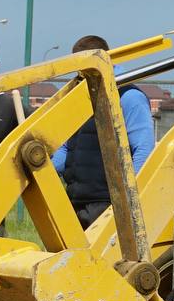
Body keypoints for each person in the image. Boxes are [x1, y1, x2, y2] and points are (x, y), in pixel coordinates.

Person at [50, 34, 155, 229]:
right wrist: (41, 172)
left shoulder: (128, 96)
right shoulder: (81, 95)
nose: (79, 74)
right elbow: (67, 146)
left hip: (109, 202)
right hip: (77, 199)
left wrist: (130, 198)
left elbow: (143, 148)